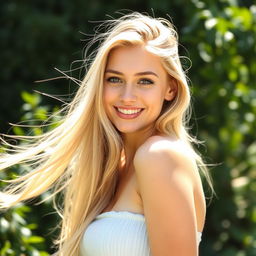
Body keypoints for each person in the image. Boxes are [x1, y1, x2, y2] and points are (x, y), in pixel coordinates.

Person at [0, 12, 213, 256]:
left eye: (145, 81)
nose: (127, 96)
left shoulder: (159, 156)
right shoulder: (115, 167)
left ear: (170, 89)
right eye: (114, 79)